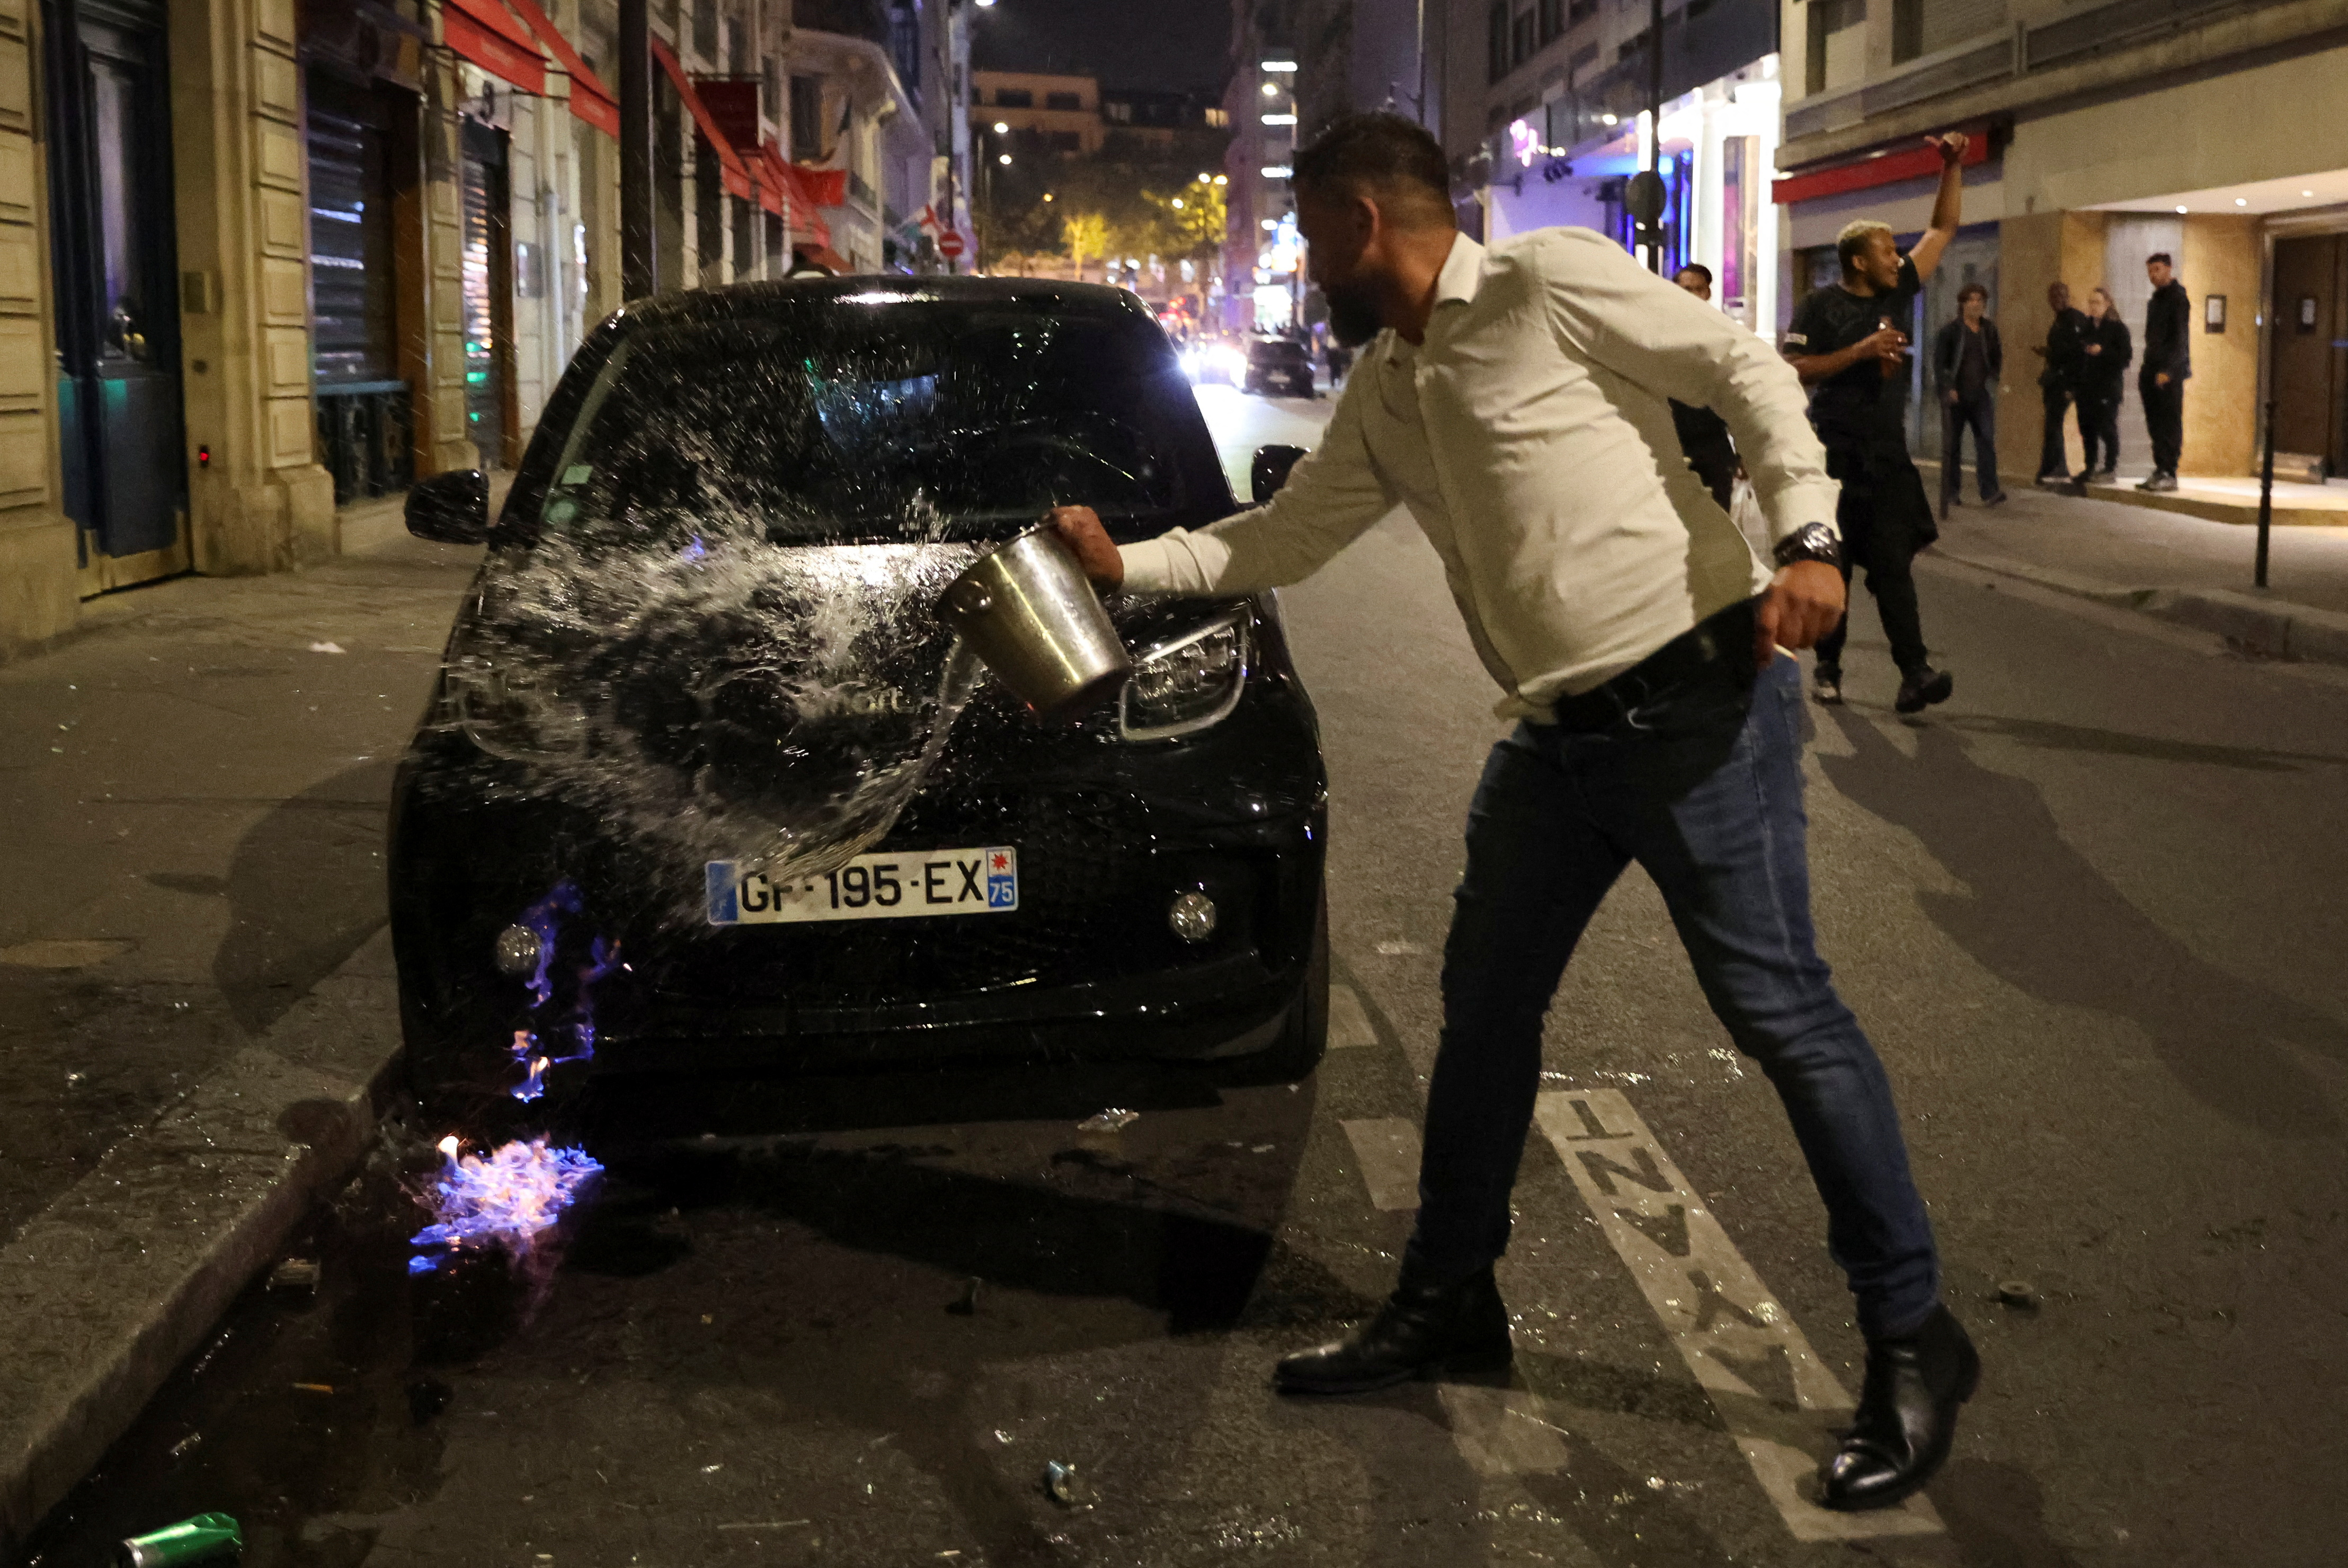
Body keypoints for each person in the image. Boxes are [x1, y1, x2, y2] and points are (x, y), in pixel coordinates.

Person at [1046, 112, 1976, 1514]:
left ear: (1361, 222)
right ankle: (1449, 1296)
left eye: (1308, 229)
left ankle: (1914, 1333)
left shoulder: (1549, 281)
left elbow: (1736, 366)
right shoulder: (1389, 384)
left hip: (1698, 702)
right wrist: (1133, 564)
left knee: (1782, 1011)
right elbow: (1285, 539)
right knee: (1483, 1011)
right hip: (1552, 736)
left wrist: (1810, 533)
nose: (1305, 256)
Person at [1781, 137, 1971, 715]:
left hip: (1886, 460)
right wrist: (1859, 351)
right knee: (1833, 570)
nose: (1898, 259)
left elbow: (1942, 229)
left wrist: (1952, 164)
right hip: (1834, 459)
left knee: (1892, 568)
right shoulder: (1819, 306)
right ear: (1860, 261)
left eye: (1897, 253)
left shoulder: (1901, 287)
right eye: (1888, 252)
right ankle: (1829, 667)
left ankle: (1913, 673)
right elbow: (1793, 369)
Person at [1668, 263, 1741, 510]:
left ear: (1708, 293)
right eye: (1686, 289)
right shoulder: (1658, 333)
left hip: (1712, 442)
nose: (1693, 295)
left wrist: (1743, 449)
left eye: (1699, 289)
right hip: (1670, 438)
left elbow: (1736, 391)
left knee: (1719, 519)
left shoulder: (1722, 334)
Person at [1931, 283, 2005, 513]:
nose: (1976, 305)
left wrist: (1993, 377)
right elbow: (1940, 363)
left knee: (1986, 440)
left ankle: (1990, 491)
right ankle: (1952, 492)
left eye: (1980, 301)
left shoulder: (1989, 331)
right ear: (1963, 304)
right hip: (1956, 396)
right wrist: (1948, 387)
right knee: (1952, 446)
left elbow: (1997, 357)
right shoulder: (1951, 331)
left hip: (1980, 394)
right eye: (1971, 300)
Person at [2138, 253, 2191, 492]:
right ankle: (2160, 468)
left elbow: (2180, 339)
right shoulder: (2156, 300)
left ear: (2169, 269)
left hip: (2169, 372)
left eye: (2157, 269)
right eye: (2150, 270)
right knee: (2155, 423)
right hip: (2151, 368)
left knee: (2169, 422)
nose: (2153, 275)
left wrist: (2168, 370)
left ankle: (2170, 470)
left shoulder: (2178, 299)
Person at [2029, 282, 2087, 487]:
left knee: (2054, 425)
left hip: (2065, 382)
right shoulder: (2061, 320)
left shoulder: (2073, 319)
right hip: (2056, 381)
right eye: (2053, 297)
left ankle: (2055, 468)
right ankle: (2055, 467)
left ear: (2067, 296)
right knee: (2052, 425)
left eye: (2061, 296)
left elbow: (2076, 354)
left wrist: (2072, 386)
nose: (2057, 301)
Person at [2073, 286, 2130, 486]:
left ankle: (2110, 467)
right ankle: (2090, 467)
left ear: (2107, 304)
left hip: (2107, 388)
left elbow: (2125, 358)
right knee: (2087, 428)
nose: (2093, 307)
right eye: (2091, 302)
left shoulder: (2117, 329)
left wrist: (2102, 351)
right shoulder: (2086, 327)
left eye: (2097, 302)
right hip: (2086, 388)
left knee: (2107, 427)